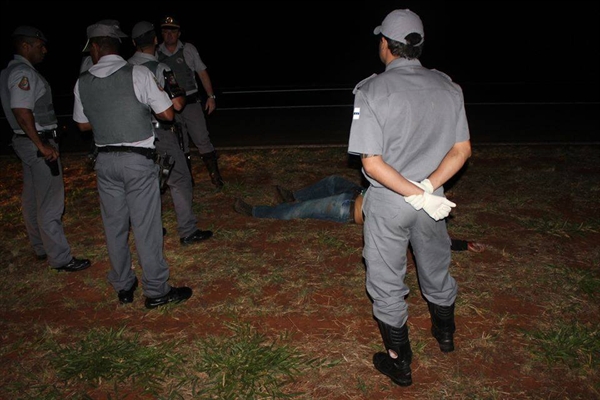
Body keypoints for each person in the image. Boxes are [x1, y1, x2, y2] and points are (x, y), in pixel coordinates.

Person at [347, 9, 472, 386]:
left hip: (390, 200)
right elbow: (462, 150)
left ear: (385, 44)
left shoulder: (370, 90)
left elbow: (372, 162)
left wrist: (415, 192)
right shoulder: (449, 87)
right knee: (435, 267)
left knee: (386, 282)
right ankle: (445, 335)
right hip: (432, 200)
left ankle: (400, 364)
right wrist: (429, 190)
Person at [72, 21, 192, 309]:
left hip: (104, 162)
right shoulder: (137, 73)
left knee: (114, 226)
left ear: (96, 48)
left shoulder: (82, 81)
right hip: (137, 161)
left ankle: (124, 286)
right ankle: (156, 290)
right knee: (146, 226)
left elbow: (82, 124)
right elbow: (167, 113)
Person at [0, 26, 91, 272]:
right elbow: (21, 111)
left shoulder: (11, 70)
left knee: (32, 198)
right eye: (40, 46)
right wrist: (41, 145)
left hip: (24, 142)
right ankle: (60, 258)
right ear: (25, 46)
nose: (44, 50)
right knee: (51, 201)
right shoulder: (23, 74)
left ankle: (41, 247)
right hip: (36, 143)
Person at [233, 175, 484, 252]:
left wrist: (462, 245)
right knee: (332, 181)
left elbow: (435, 240)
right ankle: (296, 194)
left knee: (299, 212)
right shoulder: (422, 192)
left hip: (348, 208)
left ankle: (255, 211)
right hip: (361, 191)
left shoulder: (417, 221)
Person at [128, 20, 213, 246]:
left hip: (133, 135)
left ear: (134, 43)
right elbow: (176, 105)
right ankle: (187, 230)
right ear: (155, 40)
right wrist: (181, 93)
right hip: (159, 134)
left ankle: (150, 227)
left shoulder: (125, 68)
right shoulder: (160, 68)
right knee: (181, 179)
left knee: (148, 182)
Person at [157, 15, 224, 189]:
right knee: (180, 144)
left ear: (179, 33)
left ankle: (216, 177)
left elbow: (202, 72)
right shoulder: (157, 54)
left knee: (202, 139)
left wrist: (211, 97)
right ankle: (188, 181)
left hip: (192, 102)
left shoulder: (188, 49)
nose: (169, 34)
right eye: (165, 31)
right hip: (169, 106)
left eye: (173, 31)